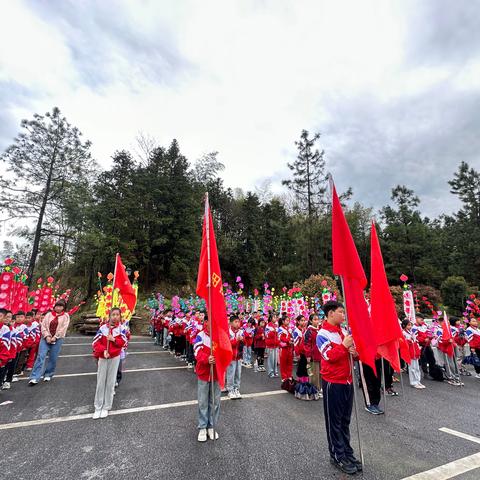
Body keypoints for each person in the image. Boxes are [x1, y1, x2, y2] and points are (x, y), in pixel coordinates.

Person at [316, 301, 361, 475]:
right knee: (334, 422)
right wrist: (344, 346)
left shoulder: (343, 332)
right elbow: (329, 356)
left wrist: (355, 353)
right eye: (341, 312)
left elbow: (350, 356)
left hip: (347, 382)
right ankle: (337, 455)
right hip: (333, 383)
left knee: (344, 421)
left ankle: (347, 452)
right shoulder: (323, 334)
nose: (344, 315)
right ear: (331, 313)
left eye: (344, 312)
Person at [92, 307, 127, 419]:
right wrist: (103, 350)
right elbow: (95, 342)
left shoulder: (122, 329)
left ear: (120, 316)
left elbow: (124, 342)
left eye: (117, 314)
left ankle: (106, 406)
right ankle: (98, 406)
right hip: (103, 357)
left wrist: (114, 340)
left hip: (115, 358)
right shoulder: (102, 328)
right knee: (101, 381)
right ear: (109, 316)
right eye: (113, 314)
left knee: (110, 382)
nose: (115, 316)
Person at [29, 299, 70, 385]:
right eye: (57, 306)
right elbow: (43, 326)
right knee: (41, 356)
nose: (58, 308)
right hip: (45, 338)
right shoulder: (48, 314)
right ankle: (34, 377)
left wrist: (55, 337)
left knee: (53, 357)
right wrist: (47, 336)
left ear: (64, 307)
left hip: (58, 339)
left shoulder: (66, 316)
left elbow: (63, 328)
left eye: (60, 306)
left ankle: (48, 373)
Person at [194, 318, 221, 442]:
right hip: (204, 374)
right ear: (206, 322)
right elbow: (197, 352)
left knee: (214, 402)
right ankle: (202, 427)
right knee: (203, 402)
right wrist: (206, 359)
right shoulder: (200, 336)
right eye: (210, 321)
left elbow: (225, 352)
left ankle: (211, 426)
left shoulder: (220, 336)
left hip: (217, 374)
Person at [402, 319, 425, 389]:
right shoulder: (403, 333)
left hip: (415, 352)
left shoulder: (411, 332)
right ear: (404, 325)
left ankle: (418, 381)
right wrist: (410, 340)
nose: (410, 326)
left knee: (417, 367)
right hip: (410, 352)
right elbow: (404, 343)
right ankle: (413, 382)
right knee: (412, 368)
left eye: (411, 325)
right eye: (408, 325)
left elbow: (416, 341)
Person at [304, 313, 322, 394]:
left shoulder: (320, 330)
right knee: (314, 374)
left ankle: (320, 388)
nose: (317, 321)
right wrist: (308, 355)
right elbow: (306, 344)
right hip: (313, 355)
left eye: (317, 319)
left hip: (321, 355)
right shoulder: (309, 331)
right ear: (311, 321)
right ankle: (315, 390)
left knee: (321, 374)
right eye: (315, 319)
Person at [226, 315, 244, 399]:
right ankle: (230, 389)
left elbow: (245, 343)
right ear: (231, 323)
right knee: (231, 374)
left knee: (238, 373)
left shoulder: (241, 331)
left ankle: (236, 388)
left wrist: (243, 340)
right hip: (231, 356)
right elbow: (227, 344)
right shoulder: (228, 332)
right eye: (235, 322)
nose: (237, 323)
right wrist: (236, 340)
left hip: (239, 356)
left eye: (238, 322)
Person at [278, 316, 293, 381]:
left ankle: (289, 375)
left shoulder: (289, 329)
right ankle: (284, 377)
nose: (288, 321)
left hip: (289, 348)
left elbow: (291, 337)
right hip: (283, 348)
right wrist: (288, 341)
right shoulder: (280, 329)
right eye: (286, 320)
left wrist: (291, 340)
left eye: (288, 320)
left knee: (289, 362)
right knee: (283, 363)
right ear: (283, 321)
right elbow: (281, 338)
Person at [265, 313, 279, 378]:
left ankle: (275, 371)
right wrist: (272, 332)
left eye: (276, 317)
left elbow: (278, 335)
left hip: (276, 345)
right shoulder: (268, 326)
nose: (275, 319)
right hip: (270, 345)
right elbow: (267, 335)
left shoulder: (276, 325)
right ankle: (270, 372)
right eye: (274, 317)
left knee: (275, 359)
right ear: (271, 318)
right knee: (270, 359)